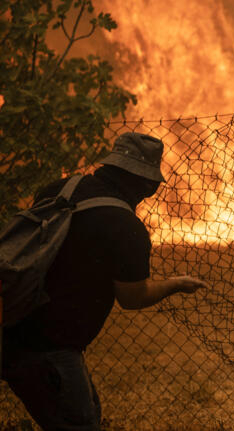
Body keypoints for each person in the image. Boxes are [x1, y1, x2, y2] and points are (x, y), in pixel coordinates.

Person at [1, 132, 208, 430]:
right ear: (145, 184)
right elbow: (133, 298)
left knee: (86, 414)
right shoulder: (126, 228)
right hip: (46, 348)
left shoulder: (60, 189)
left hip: (10, 321)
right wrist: (176, 283)